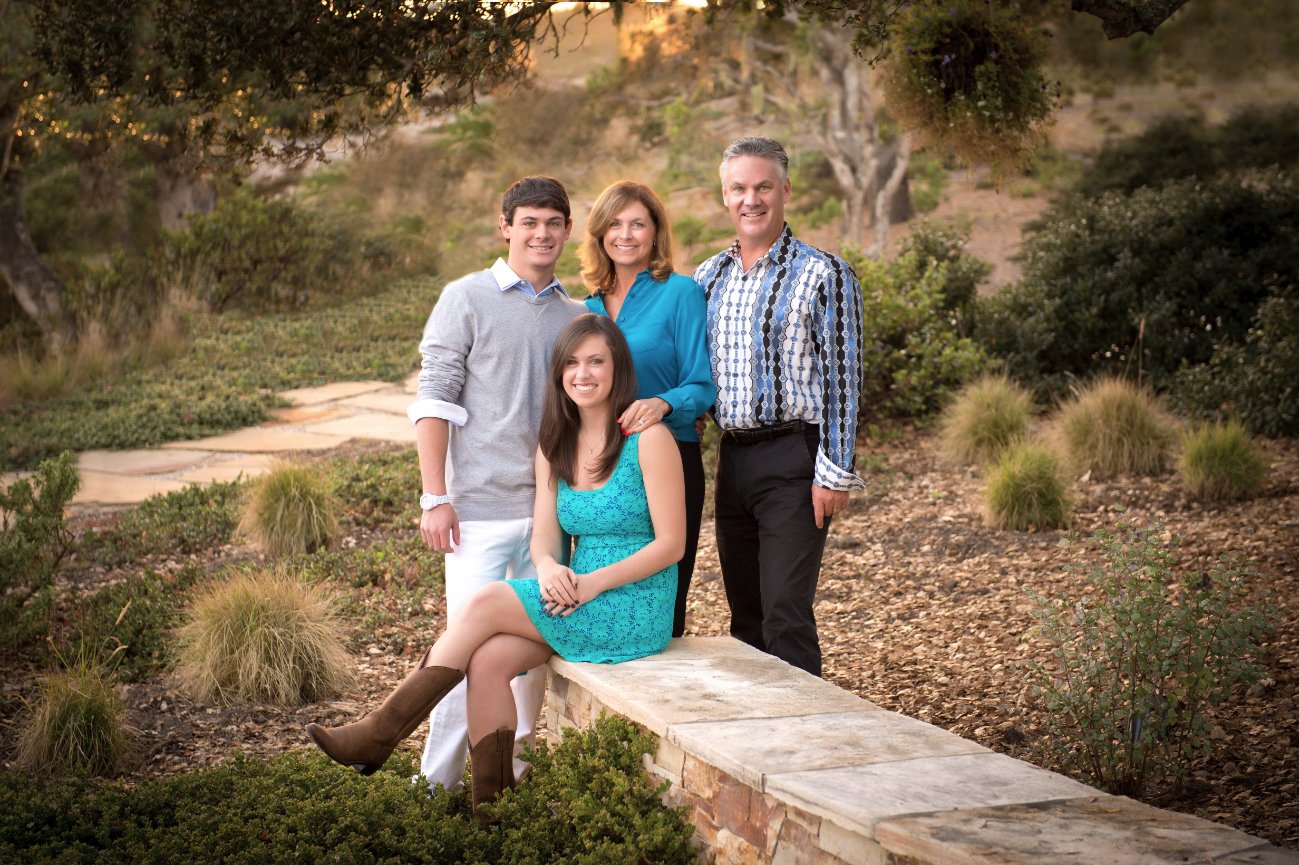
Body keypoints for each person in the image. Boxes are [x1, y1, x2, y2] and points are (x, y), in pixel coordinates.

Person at [309, 315, 685, 825]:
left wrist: (591, 582)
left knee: (487, 601)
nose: (583, 373)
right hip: (573, 591)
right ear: (558, 375)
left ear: (618, 368)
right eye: (572, 363)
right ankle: (495, 817)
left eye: (597, 361)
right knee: (486, 662)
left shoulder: (650, 439)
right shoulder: (555, 446)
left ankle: (381, 732)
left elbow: (672, 544)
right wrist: (550, 566)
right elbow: (547, 540)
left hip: (632, 600)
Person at [404, 176, 583, 794]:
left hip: (550, 517)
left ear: (566, 230)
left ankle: (513, 770)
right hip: (476, 512)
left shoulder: (576, 314)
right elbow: (435, 400)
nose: (541, 233)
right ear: (505, 227)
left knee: (530, 654)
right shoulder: (466, 297)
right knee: (465, 652)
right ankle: (435, 786)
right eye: (528, 222)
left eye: (553, 223)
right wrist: (436, 495)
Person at [692, 136, 865, 677]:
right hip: (734, 459)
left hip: (795, 458)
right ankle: (754, 742)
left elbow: (845, 380)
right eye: (739, 188)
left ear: (785, 190)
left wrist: (834, 473)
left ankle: (808, 741)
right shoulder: (707, 277)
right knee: (745, 614)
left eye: (763, 186)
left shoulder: (825, 275)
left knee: (785, 612)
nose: (752, 199)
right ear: (725, 196)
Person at [579, 180, 714, 638]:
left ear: (656, 232)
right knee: (600, 588)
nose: (626, 234)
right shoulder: (587, 308)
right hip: (601, 469)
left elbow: (701, 384)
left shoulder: (682, 293)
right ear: (600, 234)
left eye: (638, 223)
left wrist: (663, 403)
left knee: (663, 597)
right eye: (615, 224)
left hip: (668, 461)